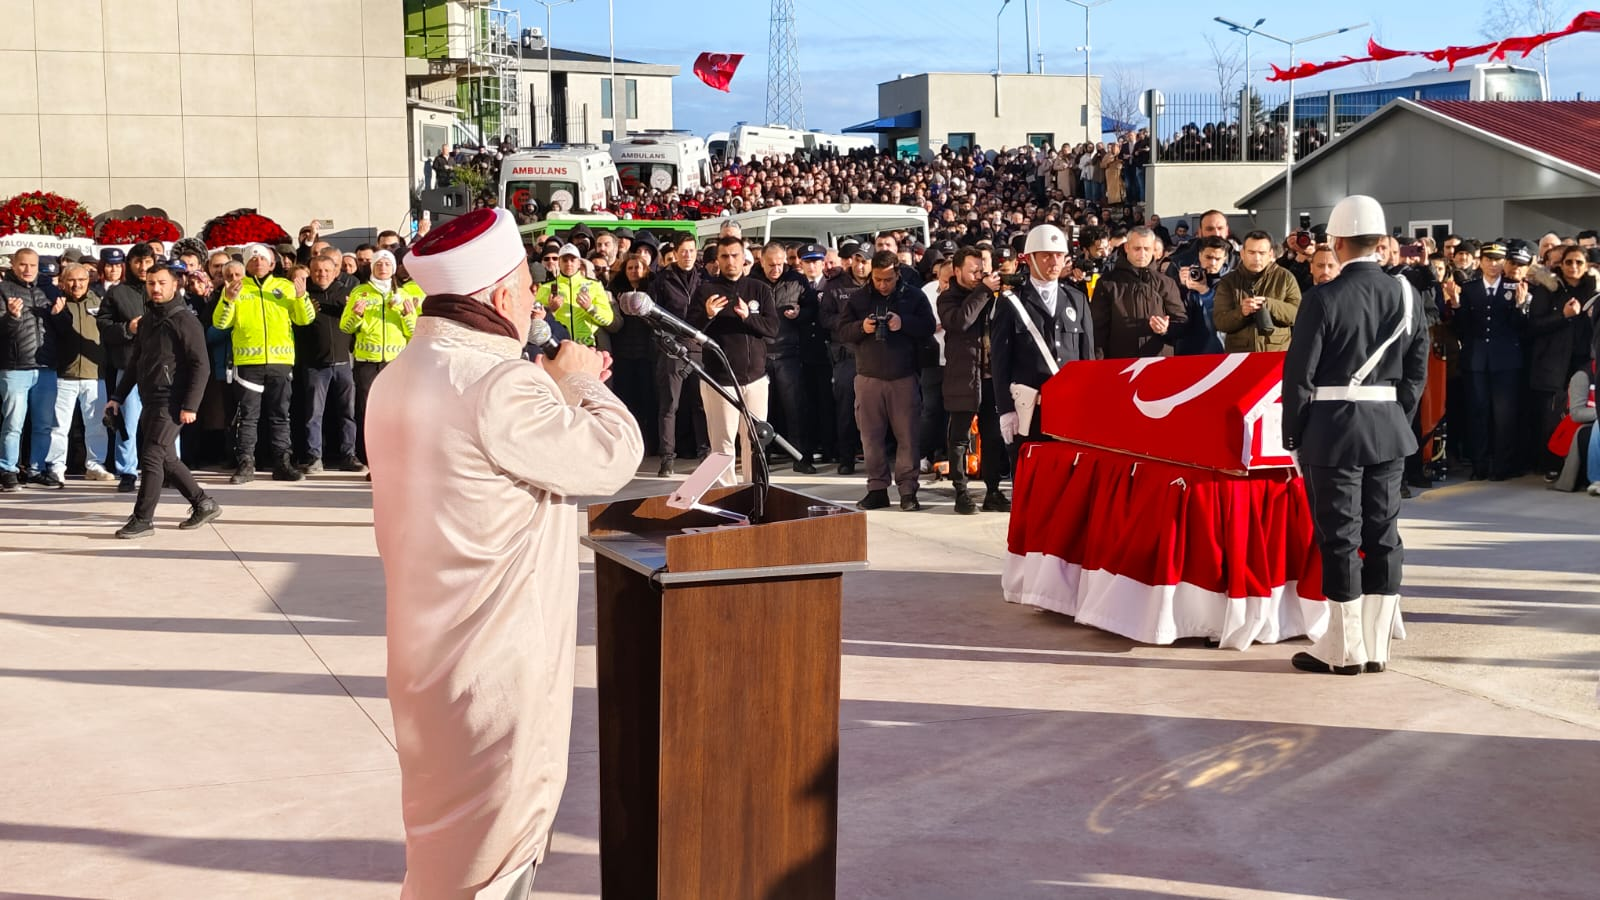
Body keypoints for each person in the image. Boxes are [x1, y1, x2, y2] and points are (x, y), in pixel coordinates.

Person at [367, 206, 642, 900]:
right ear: (497, 298)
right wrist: (581, 382)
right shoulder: (501, 384)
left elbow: (480, 452)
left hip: (427, 655)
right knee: (496, 857)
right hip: (495, 661)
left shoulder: (399, 374)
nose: (535, 300)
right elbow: (610, 459)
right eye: (526, 286)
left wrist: (549, 390)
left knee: (442, 848)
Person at [1281, 195, 1428, 676]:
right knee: (1384, 534)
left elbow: (1299, 376)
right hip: (1387, 429)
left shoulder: (1321, 297)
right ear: (1382, 243)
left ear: (1337, 243)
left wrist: (1294, 432)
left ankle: (1344, 651)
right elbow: (1416, 371)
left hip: (1333, 430)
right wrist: (1395, 417)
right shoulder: (1407, 295)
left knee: (1340, 535)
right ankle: (1378, 647)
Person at [105, 262, 220, 538]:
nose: (155, 288)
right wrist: (117, 397)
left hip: (173, 400)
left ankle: (143, 518)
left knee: (152, 455)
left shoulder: (185, 320)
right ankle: (203, 503)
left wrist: (191, 405)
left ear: (175, 284)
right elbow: (135, 363)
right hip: (150, 398)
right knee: (167, 458)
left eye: (161, 283)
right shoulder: (147, 320)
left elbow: (200, 366)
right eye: (151, 283)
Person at [836, 250, 937, 510]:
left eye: (888, 280)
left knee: (908, 437)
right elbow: (841, 331)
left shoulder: (914, 295)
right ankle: (877, 488)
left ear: (898, 273)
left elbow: (928, 327)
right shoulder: (859, 298)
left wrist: (903, 323)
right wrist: (862, 328)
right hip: (868, 377)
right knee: (870, 438)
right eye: (878, 279)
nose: (882, 285)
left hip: (903, 376)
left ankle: (907, 491)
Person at [990, 224, 1094, 469]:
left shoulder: (1076, 298)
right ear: (1029, 259)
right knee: (1030, 484)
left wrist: (1090, 404)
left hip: (1069, 409)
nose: (1054, 261)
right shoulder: (1011, 302)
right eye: (1046, 255)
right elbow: (1000, 361)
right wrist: (1005, 410)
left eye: (1059, 255)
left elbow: (1087, 358)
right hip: (1029, 411)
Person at [214, 243, 315, 483]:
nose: (258, 262)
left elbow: (305, 319)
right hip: (248, 363)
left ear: (272, 264)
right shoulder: (236, 288)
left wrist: (301, 297)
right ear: (247, 264)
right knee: (248, 417)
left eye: (263, 259)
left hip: (280, 362)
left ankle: (282, 463)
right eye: (253, 258)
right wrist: (228, 300)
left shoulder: (286, 287)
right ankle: (246, 464)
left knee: (280, 415)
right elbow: (220, 323)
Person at [687, 235, 779, 486]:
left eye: (735, 255)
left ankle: (755, 490)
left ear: (745, 257)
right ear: (717, 260)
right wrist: (706, 314)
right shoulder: (706, 291)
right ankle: (727, 497)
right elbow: (689, 331)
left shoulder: (759, 288)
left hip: (755, 379)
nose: (730, 261)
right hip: (720, 380)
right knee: (722, 442)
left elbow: (772, 329)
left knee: (755, 439)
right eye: (725, 256)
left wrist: (748, 318)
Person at [1442, 241, 1526, 480]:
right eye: (1488, 259)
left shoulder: (1514, 287)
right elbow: (1462, 329)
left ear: (1504, 263)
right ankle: (1479, 465)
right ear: (1480, 262)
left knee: (1504, 415)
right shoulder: (1470, 288)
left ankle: (1502, 466)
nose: (1493, 264)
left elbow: (1520, 328)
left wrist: (1520, 307)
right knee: (1477, 412)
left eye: (1498, 260)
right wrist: (1457, 306)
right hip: (1476, 359)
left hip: (1506, 360)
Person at [938, 246, 1009, 513]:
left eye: (982, 270)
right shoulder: (947, 298)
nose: (979, 275)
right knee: (959, 438)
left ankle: (992, 491)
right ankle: (961, 492)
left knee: (992, 437)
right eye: (973, 270)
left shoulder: (990, 296)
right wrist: (983, 291)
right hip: (964, 376)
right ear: (957, 271)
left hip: (992, 377)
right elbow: (961, 321)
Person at [342, 250, 418, 465]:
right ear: (372, 268)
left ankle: (396, 460)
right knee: (368, 413)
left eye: (387, 264)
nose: (382, 268)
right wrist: (356, 315)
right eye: (378, 264)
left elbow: (412, 333)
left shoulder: (403, 294)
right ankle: (372, 461)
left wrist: (405, 316)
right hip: (367, 362)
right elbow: (345, 327)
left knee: (395, 413)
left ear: (393, 268)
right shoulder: (360, 292)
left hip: (395, 363)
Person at [44, 263, 115, 484]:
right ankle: (56, 466)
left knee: (96, 425)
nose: (77, 284)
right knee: (59, 426)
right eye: (72, 280)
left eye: (82, 280)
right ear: (63, 282)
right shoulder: (57, 303)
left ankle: (95, 464)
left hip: (95, 374)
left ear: (89, 280)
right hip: (64, 374)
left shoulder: (99, 302)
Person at [754, 241, 819, 474]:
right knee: (761, 411)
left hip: (788, 353)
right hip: (759, 355)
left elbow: (813, 309)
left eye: (780, 264)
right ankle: (761, 458)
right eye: (771, 265)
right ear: (761, 261)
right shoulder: (750, 282)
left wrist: (802, 313)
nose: (776, 269)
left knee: (795, 409)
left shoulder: (797, 281)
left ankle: (801, 457)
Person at [1, 248, 61, 491]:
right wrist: (12, 317)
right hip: (15, 366)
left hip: (46, 366)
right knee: (14, 423)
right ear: (13, 265)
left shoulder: (47, 290)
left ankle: (36, 470)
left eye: (32, 265)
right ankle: (8, 469)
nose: (27, 270)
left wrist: (59, 316)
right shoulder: (3, 291)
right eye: (22, 265)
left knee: (44, 423)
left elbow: (62, 330)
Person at [294, 254, 360, 474]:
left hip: (343, 363)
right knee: (314, 414)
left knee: (347, 414)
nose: (321, 274)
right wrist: (301, 297)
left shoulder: (346, 294)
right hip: (314, 365)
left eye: (326, 270)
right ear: (310, 272)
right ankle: (314, 458)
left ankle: (348, 456)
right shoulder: (304, 296)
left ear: (335, 272)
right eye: (317, 270)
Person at [651, 233, 708, 475]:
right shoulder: (662, 280)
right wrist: (665, 340)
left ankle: (705, 453)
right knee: (670, 406)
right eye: (683, 251)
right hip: (672, 349)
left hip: (698, 348)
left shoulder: (704, 278)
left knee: (701, 405)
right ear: (675, 252)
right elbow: (652, 314)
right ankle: (667, 459)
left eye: (691, 251)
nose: (687, 255)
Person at [1091, 226, 1187, 359]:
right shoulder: (1107, 283)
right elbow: (1098, 330)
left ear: (1153, 249)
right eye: (1137, 248)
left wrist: (1166, 329)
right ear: (1126, 248)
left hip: (1158, 363)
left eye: (1146, 249)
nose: (1142, 254)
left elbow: (1182, 323)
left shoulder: (1166, 283)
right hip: (1120, 364)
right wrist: (1099, 366)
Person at [1213, 230, 1302, 353]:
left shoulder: (1285, 277)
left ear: (1271, 254)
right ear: (1242, 253)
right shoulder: (1229, 281)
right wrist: (1241, 312)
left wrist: (1269, 304)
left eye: (1262, 253)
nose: (1257, 258)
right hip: (1239, 356)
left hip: (1276, 353)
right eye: (1251, 252)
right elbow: (1220, 322)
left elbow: (1297, 314)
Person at [536, 244, 614, 349]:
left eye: (573, 260)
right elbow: (536, 322)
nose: (569, 263)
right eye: (565, 260)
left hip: (586, 346)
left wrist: (590, 308)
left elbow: (608, 319)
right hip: (558, 345)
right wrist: (551, 310)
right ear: (559, 262)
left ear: (579, 263)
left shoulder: (594, 285)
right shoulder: (546, 288)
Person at [1172, 236, 1229, 355]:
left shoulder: (1231, 282)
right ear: (1200, 255)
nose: (1212, 263)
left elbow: (1223, 318)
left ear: (1224, 259)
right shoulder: (1186, 274)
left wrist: (1205, 292)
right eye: (1208, 257)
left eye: (1217, 259)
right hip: (1186, 350)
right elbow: (1175, 313)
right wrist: (1180, 286)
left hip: (1218, 350)